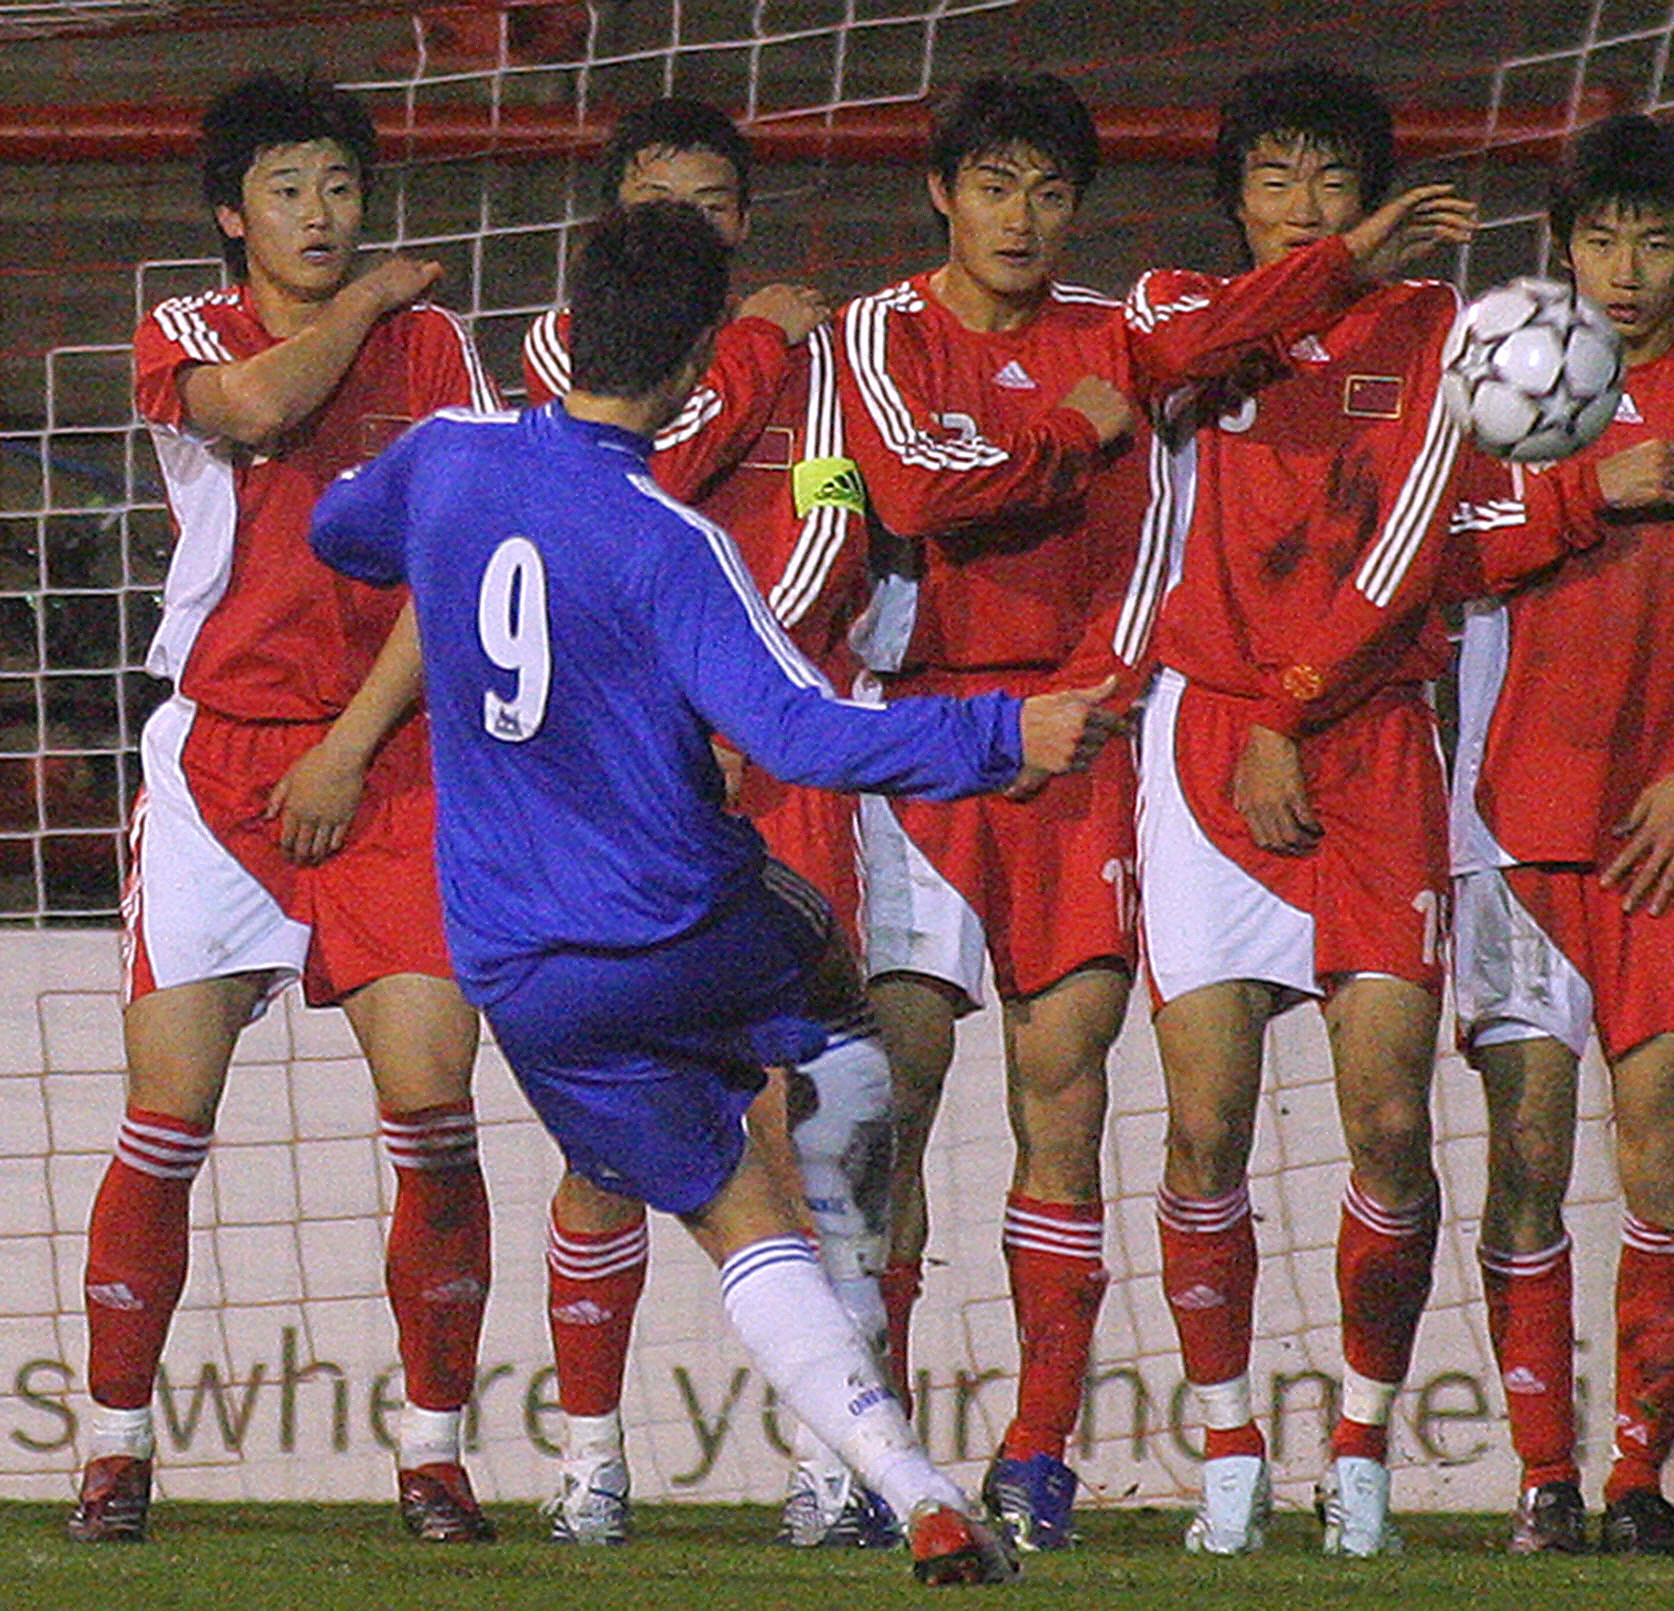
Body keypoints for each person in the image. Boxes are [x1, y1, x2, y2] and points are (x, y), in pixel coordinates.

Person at [310, 199, 1120, 1586]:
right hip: (680, 926)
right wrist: (1007, 734)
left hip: (522, 972)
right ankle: (849, 1216)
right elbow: (805, 739)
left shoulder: (447, 458)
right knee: (833, 1001)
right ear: (695, 365)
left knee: (730, 1217)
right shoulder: (671, 541)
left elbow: (339, 531)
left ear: (566, 326)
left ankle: (914, 1490)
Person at [837, 72, 1475, 1550]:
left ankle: (1045, 1455)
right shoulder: (938, 332)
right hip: (933, 743)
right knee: (901, 1099)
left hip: (1105, 743)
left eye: (1050, 191)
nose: (1020, 216)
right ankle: (873, 1454)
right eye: (992, 185)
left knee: (1091, 1098)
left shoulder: (1147, 330)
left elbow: (1422, 519)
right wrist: (1075, 428)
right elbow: (925, 499)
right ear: (941, 192)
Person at [1129, 63, 1586, 1558]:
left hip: (1369, 744)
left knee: (1390, 1122)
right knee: (1204, 1124)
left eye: (1332, 179)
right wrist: (1255, 717)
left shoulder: (1440, 338)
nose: (1305, 205)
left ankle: (1363, 1451)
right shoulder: (1183, 314)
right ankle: (1227, 1454)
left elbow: (1404, 551)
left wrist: (1293, 708)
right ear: (1235, 196)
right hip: (1205, 751)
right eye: (1277, 178)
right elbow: (1181, 356)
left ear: (1375, 187)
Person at [70, 71, 502, 1546]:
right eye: (287, 189)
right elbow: (258, 406)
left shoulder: (442, 347)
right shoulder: (194, 335)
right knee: (165, 1121)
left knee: (436, 1109)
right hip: (217, 773)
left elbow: (463, 566)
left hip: (388, 761)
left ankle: (434, 1456)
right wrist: (370, 295)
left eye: (338, 183)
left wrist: (354, 744)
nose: (319, 213)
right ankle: (117, 1450)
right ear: (230, 218)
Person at [518, 97, 892, 1550]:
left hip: (780, 765)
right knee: (602, 1132)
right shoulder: (570, 356)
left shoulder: (821, 382)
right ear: (614, 220)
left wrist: (740, 696)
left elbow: (832, 527)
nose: (687, 227)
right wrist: (748, 347)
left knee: (798, 1118)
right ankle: (591, 1457)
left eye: (713, 206)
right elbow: (629, 499)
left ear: (744, 220)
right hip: (618, 778)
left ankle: (831, 1457)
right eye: (658, 204)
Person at [1449, 112, 1674, 1557]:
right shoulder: (1505, 378)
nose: (1630, 267)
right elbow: (1439, 556)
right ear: (1563, 249)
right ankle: (1544, 1474)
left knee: (1663, 1151)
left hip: (1673, 841)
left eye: (1657, 239)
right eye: (1603, 239)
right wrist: (1593, 492)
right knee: (1525, 1151)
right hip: (1515, 835)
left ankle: (1641, 1478)